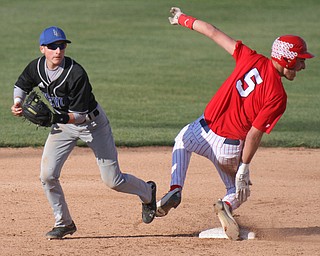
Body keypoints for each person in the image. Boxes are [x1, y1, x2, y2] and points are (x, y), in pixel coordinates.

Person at [156, 7, 314, 240]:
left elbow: (212, 32)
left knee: (181, 139)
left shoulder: (250, 57)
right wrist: (244, 166)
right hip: (227, 149)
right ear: (288, 59)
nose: (303, 66)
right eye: (300, 60)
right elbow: (253, 135)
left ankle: (175, 189)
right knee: (239, 190)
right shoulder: (278, 96)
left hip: (199, 132)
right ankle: (226, 205)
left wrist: (182, 19)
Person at [11, 26, 157, 239]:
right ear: (42, 49)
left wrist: (55, 118)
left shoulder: (76, 73)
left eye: (62, 46)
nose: (58, 51)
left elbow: (79, 115)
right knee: (47, 175)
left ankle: (147, 192)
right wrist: (17, 102)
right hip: (63, 126)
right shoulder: (36, 67)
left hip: (93, 124)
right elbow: (21, 85)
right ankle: (64, 223)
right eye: (53, 47)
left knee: (112, 181)